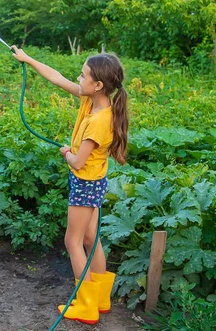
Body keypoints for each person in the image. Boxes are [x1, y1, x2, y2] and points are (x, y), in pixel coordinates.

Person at [11, 46, 128, 325]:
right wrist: (28, 59)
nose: (78, 77)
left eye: (83, 75)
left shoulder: (99, 122)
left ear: (98, 85)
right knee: (90, 239)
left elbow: (78, 162)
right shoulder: (94, 102)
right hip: (95, 182)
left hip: (85, 183)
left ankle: (86, 306)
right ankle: (100, 299)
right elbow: (57, 78)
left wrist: (66, 152)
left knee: (72, 241)